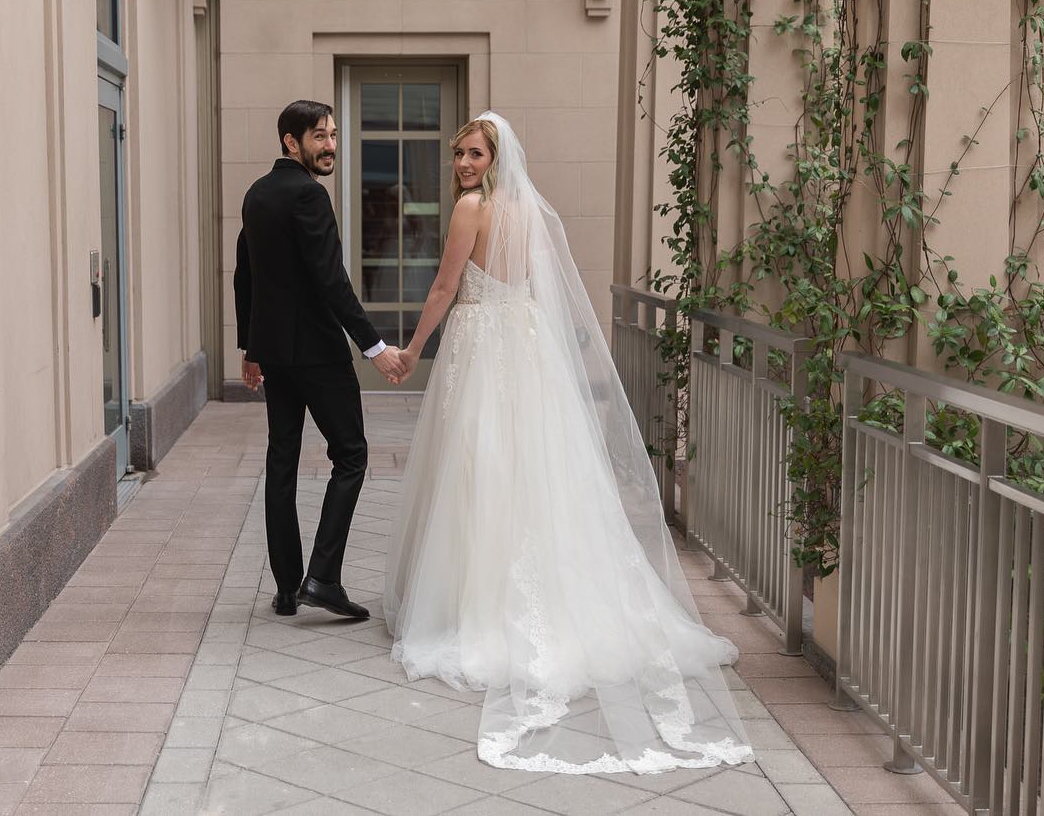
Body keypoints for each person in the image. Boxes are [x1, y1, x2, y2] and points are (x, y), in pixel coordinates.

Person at [383, 113, 756, 774]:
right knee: (531, 467)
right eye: (459, 154)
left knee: (481, 464)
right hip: (526, 345)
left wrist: (412, 349)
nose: (463, 165)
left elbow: (445, 286)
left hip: (483, 343)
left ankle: (480, 607)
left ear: (496, 158)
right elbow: (535, 287)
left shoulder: (472, 208)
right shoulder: (528, 208)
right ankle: (551, 600)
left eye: (474, 154)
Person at [234, 100, 407, 620]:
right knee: (351, 456)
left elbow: (245, 276)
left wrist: (250, 348)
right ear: (292, 142)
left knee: (282, 460)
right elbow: (332, 281)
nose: (330, 145)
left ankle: (288, 589)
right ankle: (323, 578)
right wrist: (374, 348)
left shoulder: (256, 193)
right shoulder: (310, 195)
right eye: (319, 137)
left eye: (332, 135)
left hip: (276, 356)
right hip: (317, 354)